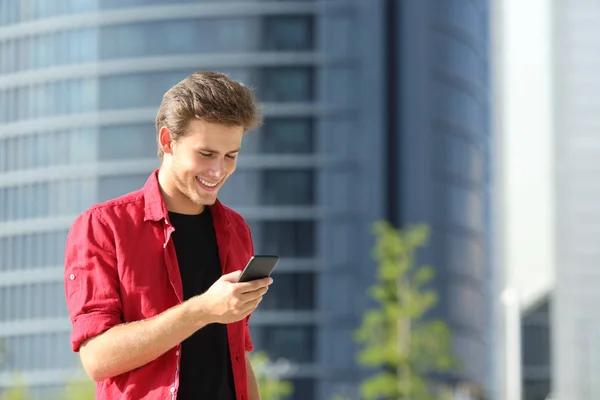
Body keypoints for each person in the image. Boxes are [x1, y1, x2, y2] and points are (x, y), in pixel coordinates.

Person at [63, 71, 272, 400]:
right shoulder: (103, 226)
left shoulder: (236, 230)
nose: (219, 171)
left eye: (230, 156)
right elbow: (97, 358)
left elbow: (237, 354)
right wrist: (203, 309)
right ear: (167, 141)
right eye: (206, 154)